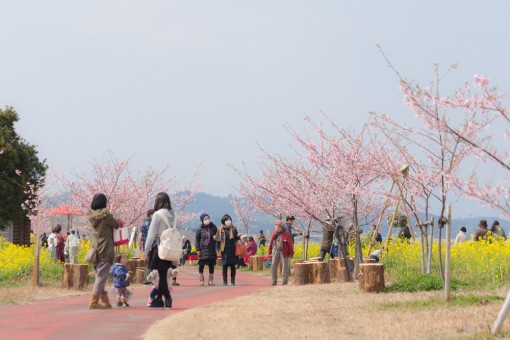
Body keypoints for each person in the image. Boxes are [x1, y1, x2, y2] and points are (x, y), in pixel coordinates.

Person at [144, 192, 180, 309]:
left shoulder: (157, 215)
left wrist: (146, 249)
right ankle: (159, 300)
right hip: (170, 249)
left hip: (160, 248)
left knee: (162, 275)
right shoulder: (174, 215)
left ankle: (167, 299)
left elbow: (151, 234)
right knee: (163, 274)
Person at [87, 193, 118, 309]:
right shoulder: (106, 216)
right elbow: (116, 224)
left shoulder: (92, 216)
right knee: (100, 278)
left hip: (96, 251)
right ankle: (93, 302)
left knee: (100, 278)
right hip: (105, 250)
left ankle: (105, 302)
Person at [215, 214, 239, 286]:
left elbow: (236, 239)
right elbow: (217, 240)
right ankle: (225, 281)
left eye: (229, 219)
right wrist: (217, 249)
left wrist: (238, 237)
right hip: (224, 250)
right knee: (224, 266)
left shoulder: (234, 229)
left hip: (232, 249)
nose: (229, 221)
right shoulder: (220, 229)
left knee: (232, 266)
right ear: (223, 221)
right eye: (227, 220)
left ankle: (233, 281)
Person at [268, 220, 294, 286]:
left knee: (285, 266)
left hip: (284, 251)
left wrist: (291, 253)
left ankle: (284, 281)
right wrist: (269, 251)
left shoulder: (286, 234)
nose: (276, 228)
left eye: (277, 227)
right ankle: (274, 281)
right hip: (275, 250)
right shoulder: (274, 233)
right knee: (273, 265)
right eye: (275, 226)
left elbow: (290, 244)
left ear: (281, 227)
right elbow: (271, 243)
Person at [195, 213, 218, 286]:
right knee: (201, 265)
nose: (207, 220)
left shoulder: (213, 227)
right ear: (202, 220)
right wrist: (198, 249)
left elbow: (218, 237)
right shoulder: (200, 229)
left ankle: (210, 281)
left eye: (208, 218)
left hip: (211, 249)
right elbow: (197, 239)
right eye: (205, 219)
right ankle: (201, 280)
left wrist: (217, 245)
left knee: (211, 265)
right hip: (203, 249)